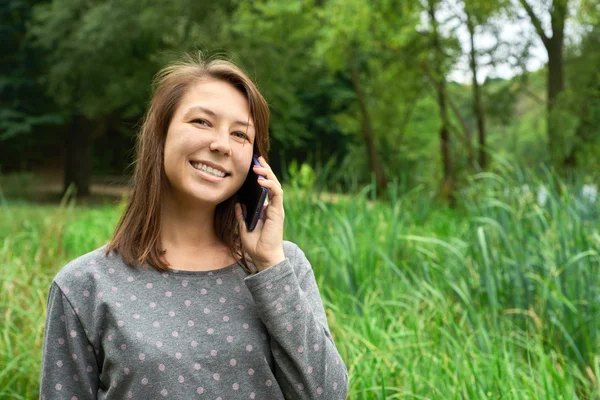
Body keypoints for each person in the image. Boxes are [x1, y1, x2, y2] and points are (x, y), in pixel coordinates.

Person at [39, 53, 349, 399]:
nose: (220, 144)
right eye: (202, 122)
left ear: (256, 164)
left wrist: (270, 266)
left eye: (240, 135)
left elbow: (328, 394)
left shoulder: (282, 266)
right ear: (160, 133)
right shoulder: (83, 286)